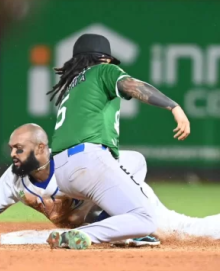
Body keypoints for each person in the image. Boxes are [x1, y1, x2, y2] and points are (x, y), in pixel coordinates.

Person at [0, 124, 220, 247]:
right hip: (104, 216)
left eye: (19, 148)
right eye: (11, 148)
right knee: (77, 228)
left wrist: (81, 211)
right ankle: (130, 236)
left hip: (129, 196)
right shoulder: (13, 180)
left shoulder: (77, 162)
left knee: (181, 229)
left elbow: (134, 163)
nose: (11, 154)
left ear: (41, 149)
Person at [45, 33, 192, 249]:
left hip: (62, 171)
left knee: (136, 161)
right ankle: (84, 234)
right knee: (146, 219)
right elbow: (134, 86)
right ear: (104, 58)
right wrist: (174, 107)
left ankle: (114, 222)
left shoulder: (72, 86)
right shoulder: (103, 71)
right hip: (89, 161)